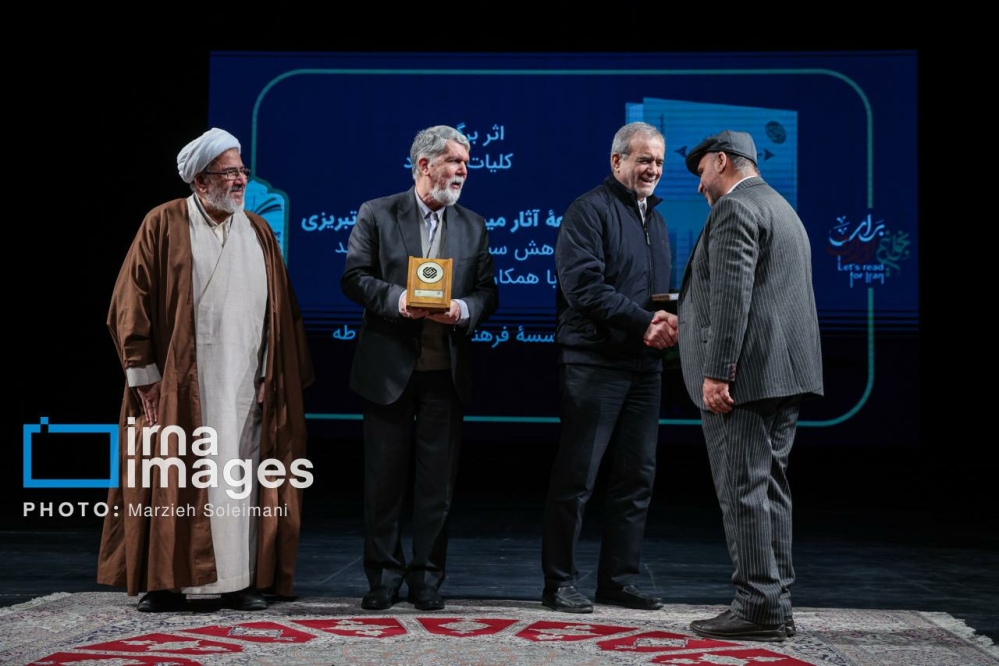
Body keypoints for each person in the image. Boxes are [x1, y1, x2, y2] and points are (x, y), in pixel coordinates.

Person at [98, 128, 314, 613]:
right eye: (229, 173)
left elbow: (280, 313)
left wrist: (272, 373)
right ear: (200, 181)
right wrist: (144, 376)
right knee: (173, 474)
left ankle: (238, 581)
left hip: (244, 384)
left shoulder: (258, 230)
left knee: (239, 479)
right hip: (178, 384)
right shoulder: (163, 222)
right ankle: (165, 583)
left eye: (242, 171)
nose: (240, 181)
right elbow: (129, 302)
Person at [341, 125, 498, 612]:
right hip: (388, 370)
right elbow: (354, 277)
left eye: (466, 163)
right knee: (383, 482)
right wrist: (398, 299)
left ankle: (427, 577)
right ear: (424, 165)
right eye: (455, 161)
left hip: (445, 372)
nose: (464, 171)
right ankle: (383, 576)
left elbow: (488, 292)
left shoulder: (473, 224)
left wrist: (463, 309)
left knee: (437, 486)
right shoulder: (377, 213)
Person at [678, 130, 823, 641]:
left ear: (722, 161)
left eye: (701, 172)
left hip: (745, 380)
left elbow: (733, 297)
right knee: (769, 488)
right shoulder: (781, 207)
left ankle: (757, 606)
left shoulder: (735, 209)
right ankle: (776, 603)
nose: (699, 186)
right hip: (784, 374)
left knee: (743, 490)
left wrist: (717, 371)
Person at [541, 121, 678, 614]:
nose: (653, 169)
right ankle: (559, 582)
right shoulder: (587, 211)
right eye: (644, 159)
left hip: (644, 366)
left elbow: (652, 294)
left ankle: (618, 580)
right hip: (594, 363)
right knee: (578, 479)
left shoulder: (656, 220)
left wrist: (669, 319)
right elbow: (583, 287)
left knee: (636, 478)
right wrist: (645, 323)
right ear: (617, 161)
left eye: (659, 162)